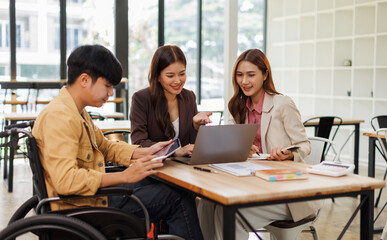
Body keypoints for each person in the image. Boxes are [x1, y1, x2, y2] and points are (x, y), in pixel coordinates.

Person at [32, 44, 204, 240]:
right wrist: (125, 176)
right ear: (85, 80)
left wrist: (146, 152)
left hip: (88, 198)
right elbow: (66, 181)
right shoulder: (61, 116)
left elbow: (105, 146)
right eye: (107, 86)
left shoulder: (75, 111)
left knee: (171, 188)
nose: (111, 93)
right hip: (82, 206)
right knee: (178, 197)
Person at [197, 49, 321, 240]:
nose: (244, 81)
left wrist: (289, 153)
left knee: (229, 213)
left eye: (251, 75)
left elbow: (304, 144)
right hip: (252, 185)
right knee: (206, 203)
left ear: (265, 75)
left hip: (286, 193)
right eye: (239, 75)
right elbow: (227, 143)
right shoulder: (237, 106)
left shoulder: (282, 104)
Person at [130, 45, 211, 157]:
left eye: (182, 74)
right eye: (170, 76)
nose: (177, 81)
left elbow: (193, 146)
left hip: (182, 168)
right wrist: (174, 152)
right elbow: (139, 143)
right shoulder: (141, 99)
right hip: (154, 168)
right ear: (158, 76)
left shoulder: (189, 97)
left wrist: (196, 126)